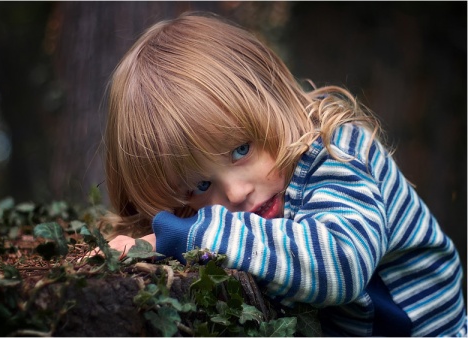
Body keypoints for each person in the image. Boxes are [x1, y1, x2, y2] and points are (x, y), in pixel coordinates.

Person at [100, 11, 467, 336]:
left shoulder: (337, 149)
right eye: (200, 185)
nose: (237, 193)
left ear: (272, 99)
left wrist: (189, 234)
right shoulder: (255, 204)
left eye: (241, 150)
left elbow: (342, 263)